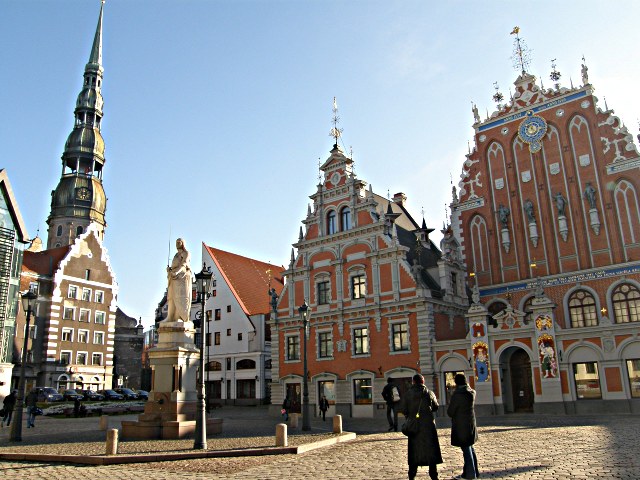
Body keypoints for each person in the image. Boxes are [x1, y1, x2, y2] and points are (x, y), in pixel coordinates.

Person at [401, 374, 443, 480]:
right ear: (423, 382)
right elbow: (436, 406)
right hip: (428, 426)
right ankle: (434, 475)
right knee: (431, 450)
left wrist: (411, 415)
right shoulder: (429, 393)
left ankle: (412, 474)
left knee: (414, 451)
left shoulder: (408, 394)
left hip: (414, 427)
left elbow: (404, 410)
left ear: (413, 382)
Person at [447, 373, 479, 480]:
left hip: (461, 425)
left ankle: (470, 475)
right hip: (471, 423)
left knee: (466, 449)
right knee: (470, 447)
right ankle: (472, 472)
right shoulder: (471, 392)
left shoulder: (457, 395)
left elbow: (450, 412)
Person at [166, 238, 192, 322]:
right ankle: (170, 317)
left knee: (180, 297)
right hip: (173, 276)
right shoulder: (176, 255)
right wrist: (170, 270)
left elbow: (184, 264)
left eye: (179, 242)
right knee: (171, 297)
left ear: (183, 243)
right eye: (176, 242)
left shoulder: (186, 253)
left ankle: (180, 317)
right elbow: (175, 265)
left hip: (182, 276)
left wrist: (177, 272)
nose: (177, 243)